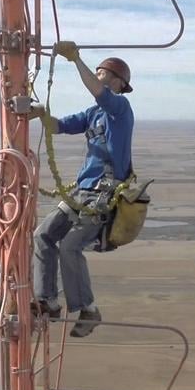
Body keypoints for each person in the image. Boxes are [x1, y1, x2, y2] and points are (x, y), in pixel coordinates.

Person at [29, 41, 134, 338]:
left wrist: (76, 60)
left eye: (102, 72)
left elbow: (97, 91)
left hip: (103, 195)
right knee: (43, 235)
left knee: (71, 247)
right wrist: (39, 114)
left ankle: (89, 309)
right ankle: (47, 301)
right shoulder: (93, 113)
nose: (97, 75)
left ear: (117, 82)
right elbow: (58, 126)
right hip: (82, 193)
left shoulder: (119, 109)